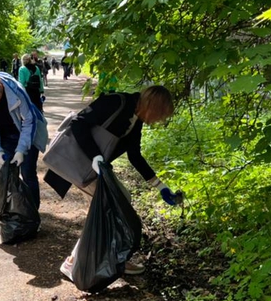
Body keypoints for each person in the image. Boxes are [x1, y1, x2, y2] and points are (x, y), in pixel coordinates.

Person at [45, 85, 182, 278]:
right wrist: (95, 156)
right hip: (80, 160)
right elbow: (79, 123)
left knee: (117, 203)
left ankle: (110, 258)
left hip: (95, 167)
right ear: (153, 107)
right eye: (160, 115)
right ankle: (78, 262)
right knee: (115, 204)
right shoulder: (116, 102)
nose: (159, 120)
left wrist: (160, 186)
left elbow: (135, 156)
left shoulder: (136, 118)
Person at [0, 70, 49, 234]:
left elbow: (29, 121)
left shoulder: (15, 90)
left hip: (27, 133)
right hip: (4, 136)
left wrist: (21, 150)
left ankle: (32, 217)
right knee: (7, 176)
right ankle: (4, 218)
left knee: (28, 174)